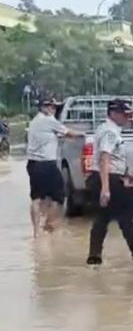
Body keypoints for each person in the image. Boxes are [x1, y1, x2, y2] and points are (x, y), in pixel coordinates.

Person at [86, 99, 133, 265]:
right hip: (109, 179)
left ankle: (94, 256)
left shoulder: (105, 128)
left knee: (102, 218)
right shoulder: (110, 132)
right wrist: (106, 188)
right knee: (125, 217)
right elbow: (105, 158)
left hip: (104, 177)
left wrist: (127, 172)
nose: (127, 118)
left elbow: (111, 157)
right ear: (113, 114)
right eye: (124, 114)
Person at [26, 97, 84, 236]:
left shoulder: (35, 122)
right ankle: (49, 225)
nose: (54, 110)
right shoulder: (49, 121)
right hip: (47, 164)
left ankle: (36, 233)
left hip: (33, 164)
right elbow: (69, 133)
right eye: (52, 107)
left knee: (36, 198)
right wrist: (84, 134)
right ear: (44, 107)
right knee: (60, 197)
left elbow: (54, 136)